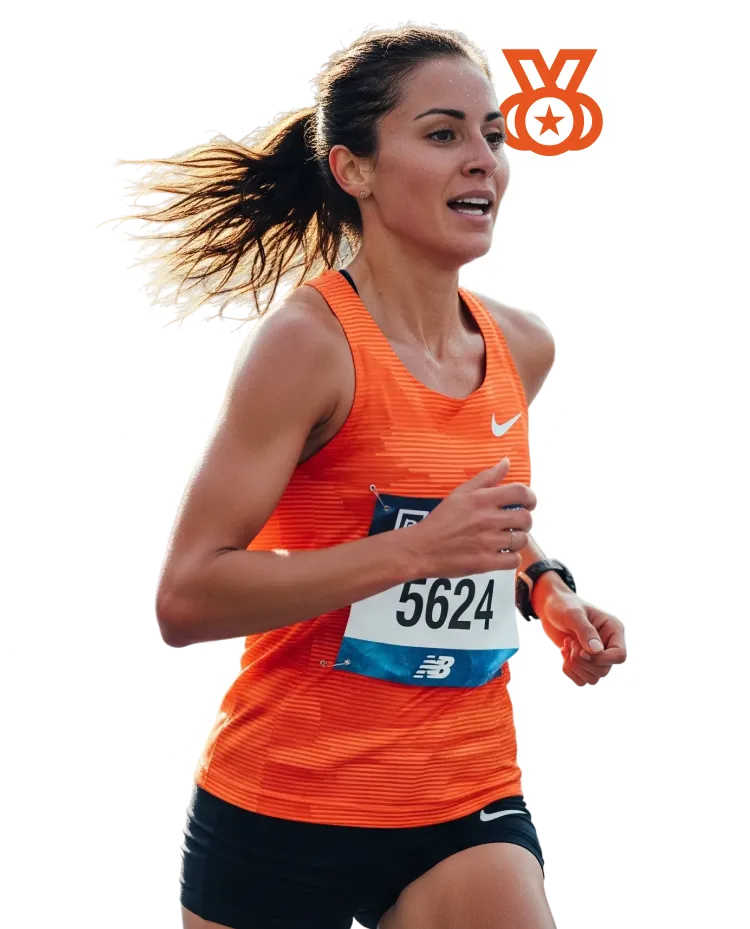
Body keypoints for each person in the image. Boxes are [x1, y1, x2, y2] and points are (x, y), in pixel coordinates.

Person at [135, 21, 589, 929]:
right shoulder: (309, 346)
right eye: (443, 133)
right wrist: (415, 554)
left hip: (467, 791)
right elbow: (185, 599)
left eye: (493, 134)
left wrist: (547, 587)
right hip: (290, 810)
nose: (483, 159)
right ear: (355, 170)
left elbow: (471, 515)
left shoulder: (522, 347)